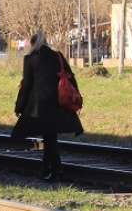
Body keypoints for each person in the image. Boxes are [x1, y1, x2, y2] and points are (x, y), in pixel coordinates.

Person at [11, 30, 84, 182]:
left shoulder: (30, 59)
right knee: (50, 137)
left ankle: (56, 171)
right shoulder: (58, 56)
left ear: (32, 44)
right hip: (59, 101)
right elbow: (71, 78)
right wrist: (75, 98)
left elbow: (27, 85)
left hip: (41, 104)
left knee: (49, 137)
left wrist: (19, 106)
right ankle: (47, 169)